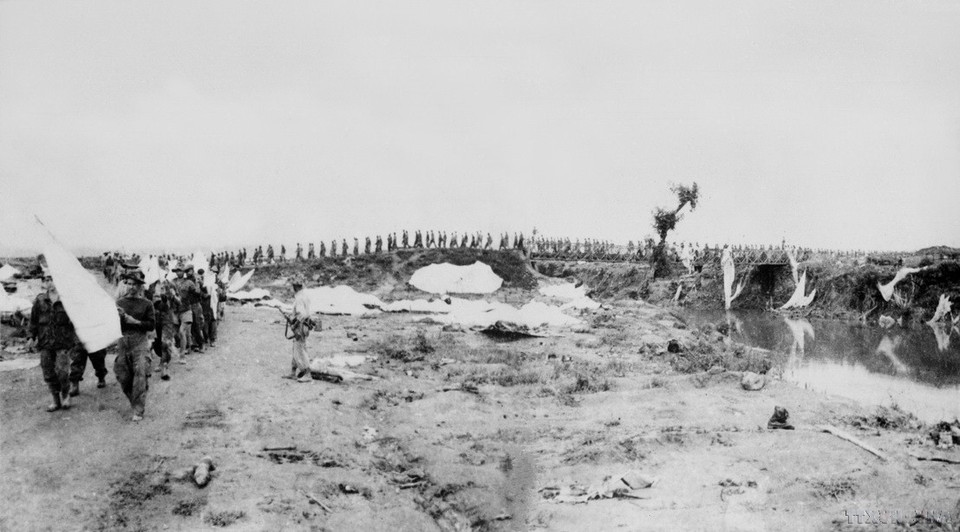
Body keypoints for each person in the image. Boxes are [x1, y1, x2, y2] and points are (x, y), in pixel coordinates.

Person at [29, 274, 79, 412]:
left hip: (62, 342)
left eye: (51, 279)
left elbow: (75, 320)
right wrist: (31, 337)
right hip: (45, 342)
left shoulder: (67, 300)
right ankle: (55, 400)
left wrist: (76, 338)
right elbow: (33, 321)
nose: (49, 283)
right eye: (46, 280)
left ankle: (66, 396)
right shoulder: (40, 300)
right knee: (48, 372)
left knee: (63, 372)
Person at [115, 269, 156, 421]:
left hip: (140, 340)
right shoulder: (119, 303)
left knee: (140, 373)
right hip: (123, 341)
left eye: (135, 284)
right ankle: (135, 399)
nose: (131, 287)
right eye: (129, 284)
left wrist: (135, 322)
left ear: (140, 287)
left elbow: (151, 325)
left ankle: (138, 409)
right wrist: (117, 316)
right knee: (123, 376)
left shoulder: (146, 304)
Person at [282, 275, 315, 383]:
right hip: (303, 326)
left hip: (300, 327)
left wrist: (294, 323)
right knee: (296, 348)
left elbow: (302, 314)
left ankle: (307, 374)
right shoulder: (304, 295)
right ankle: (293, 372)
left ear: (295, 287)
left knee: (300, 350)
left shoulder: (299, 298)